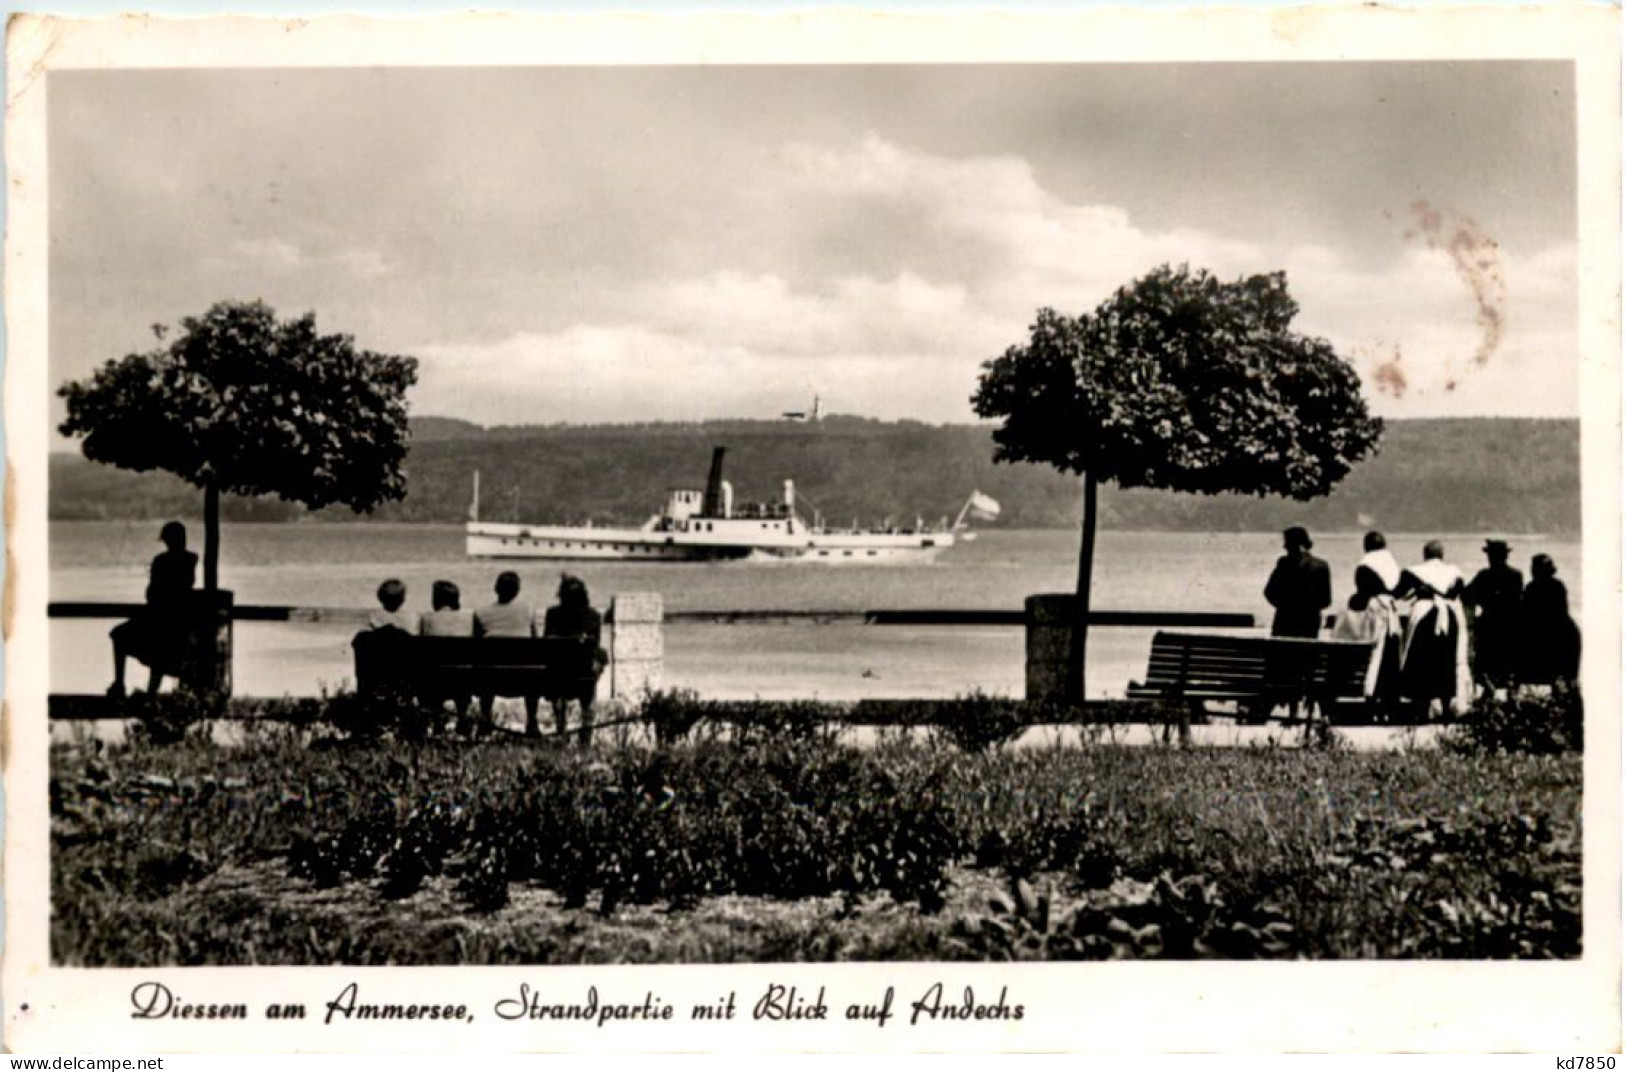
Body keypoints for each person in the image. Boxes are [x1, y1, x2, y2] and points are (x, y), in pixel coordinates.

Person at [108, 521, 199, 698]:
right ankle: (151, 692)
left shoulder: (161, 561)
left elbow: (152, 593)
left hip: (159, 621)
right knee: (158, 649)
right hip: (178, 625)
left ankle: (120, 684)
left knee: (118, 636)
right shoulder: (191, 560)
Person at [1393, 540, 1471, 718]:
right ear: (1442, 555)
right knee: (1447, 658)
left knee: (1421, 658)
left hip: (1425, 617)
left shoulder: (1413, 572)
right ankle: (1447, 700)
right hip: (1450, 617)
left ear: (1425, 555)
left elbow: (1397, 593)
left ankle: (1423, 702)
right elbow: (1460, 593)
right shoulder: (1454, 572)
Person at [539, 575, 608, 746]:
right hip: (582, 679)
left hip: (556, 678)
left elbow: (546, 644)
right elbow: (595, 647)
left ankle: (561, 728)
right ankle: (586, 733)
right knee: (599, 658)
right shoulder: (593, 616)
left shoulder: (553, 614)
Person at [1331, 562, 1403, 719]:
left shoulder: (1349, 607)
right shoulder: (1380, 606)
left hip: (1350, 673)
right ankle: (1385, 710)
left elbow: (1338, 635)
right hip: (1371, 674)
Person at [474, 571, 540, 735]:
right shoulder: (528, 611)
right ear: (517, 591)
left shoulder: (481, 613)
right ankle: (532, 721)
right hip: (524, 679)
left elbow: (475, 647)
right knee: (532, 667)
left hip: (490, 680)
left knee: (485, 665)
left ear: (496, 589)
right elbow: (536, 642)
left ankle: (485, 720)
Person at [1463, 539, 1524, 694]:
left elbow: (1467, 595)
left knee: (1484, 667)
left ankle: (1488, 693)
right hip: (1510, 626)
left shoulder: (1484, 576)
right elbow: (1518, 602)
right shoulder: (1515, 576)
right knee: (1508, 667)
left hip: (1488, 627)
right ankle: (1507, 695)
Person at [1521, 554, 1580, 686]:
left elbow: (1527, 614)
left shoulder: (1533, 587)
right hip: (1562, 632)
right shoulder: (1557, 585)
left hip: (1549, 633)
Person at [1264, 526, 1332, 638]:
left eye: (1287, 543)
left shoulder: (1283, 564)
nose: (1284, 546)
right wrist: (1309, 609)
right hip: (1310, 624)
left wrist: (1285, 607)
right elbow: (1326, 600)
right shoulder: (1321, 566)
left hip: (1283, 622)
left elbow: (1269, 592)